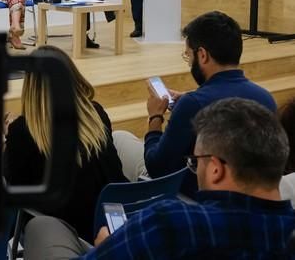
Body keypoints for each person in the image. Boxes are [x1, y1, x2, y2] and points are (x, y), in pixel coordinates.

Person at [24, 98, 295, 259]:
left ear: (216, 169)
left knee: (43, 227)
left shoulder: (173, 224)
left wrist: (108, 247)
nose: (194, 168)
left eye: (194, 162)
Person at [114, 11, 277, 193]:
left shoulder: (193, 105)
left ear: (202, 55)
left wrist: (155, 117)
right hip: (249, 197)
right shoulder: (266, 98)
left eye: (188, 56)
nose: (189, 62)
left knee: (119, 139)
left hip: (195, 197)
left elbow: (157, 167)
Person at [3, 46, 126, 242]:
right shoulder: (96, 114)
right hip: (110, 222)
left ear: (32, 86)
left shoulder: (23, 131)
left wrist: (7, 143)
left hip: (62, 234)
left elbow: (17, 186)